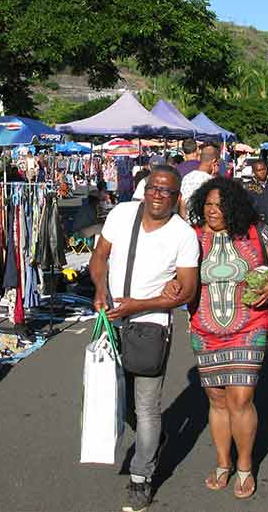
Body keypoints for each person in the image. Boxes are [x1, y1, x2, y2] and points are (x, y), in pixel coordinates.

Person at [89, 165, 199, 512]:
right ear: (144, 188)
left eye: (165, 191)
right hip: (112, 321)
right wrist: (99, 289)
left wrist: (142, 304)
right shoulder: (122, 214)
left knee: (147, 406)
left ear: (176, 197)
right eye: (153, 187)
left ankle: (142, 478)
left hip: (151, 326)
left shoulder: (184, 235)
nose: (157, 194)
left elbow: (188, 290)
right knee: (118, 402)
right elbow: (99, 256)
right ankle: (156, 440)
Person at [185, 177, 268, 499]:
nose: (213, 211)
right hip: (203, 329)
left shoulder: (257, 230)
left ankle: (244, 465)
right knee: (217, 401)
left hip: (250, 327)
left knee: (241, 399)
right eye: (207, 205)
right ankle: (223, 463)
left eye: (219, 205)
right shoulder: (191, 237)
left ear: (233, 206)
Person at [179, 144, 219, 219]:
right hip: (201, 226)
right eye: (218, 164)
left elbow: (182, 204)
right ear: (214, 161)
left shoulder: (187, 177)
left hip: (187, 225)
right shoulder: (211, 182)